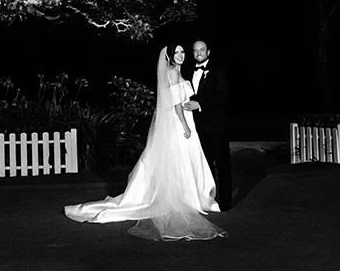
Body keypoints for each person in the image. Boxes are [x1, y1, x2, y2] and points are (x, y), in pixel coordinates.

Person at [64, 44, 226, 241]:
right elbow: (176, 105)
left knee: (184, 161)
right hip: (179, 122)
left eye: (183, 52)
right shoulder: (172, 73)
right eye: (176, 53)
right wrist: (185, 125)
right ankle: (186, 198)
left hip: (188, 119)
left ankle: (191, 196)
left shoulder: (178, 72)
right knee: (180, 160)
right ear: (168, 57)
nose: (181, 55)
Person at [183, 39, 232, 210]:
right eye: (195, 51)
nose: (198, 53)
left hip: (217, 127)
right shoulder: (188, 72)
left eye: (201, 50)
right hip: (198, 127)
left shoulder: (218, 71)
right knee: (205, 165)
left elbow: (222, 97)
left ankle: (225, 203)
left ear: (208, 52)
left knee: (222, 164)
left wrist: (200, 104)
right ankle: (208, 200)